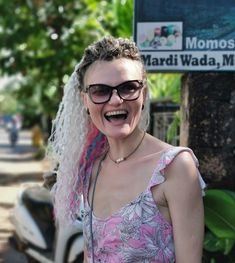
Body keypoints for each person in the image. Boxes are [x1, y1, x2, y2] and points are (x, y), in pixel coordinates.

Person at [47, 36, 206, 262]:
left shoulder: (174, 167)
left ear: (144, 93)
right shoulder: (91, 169)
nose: (115, 100)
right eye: (100, 91)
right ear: (85, 99)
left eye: (128, 88)